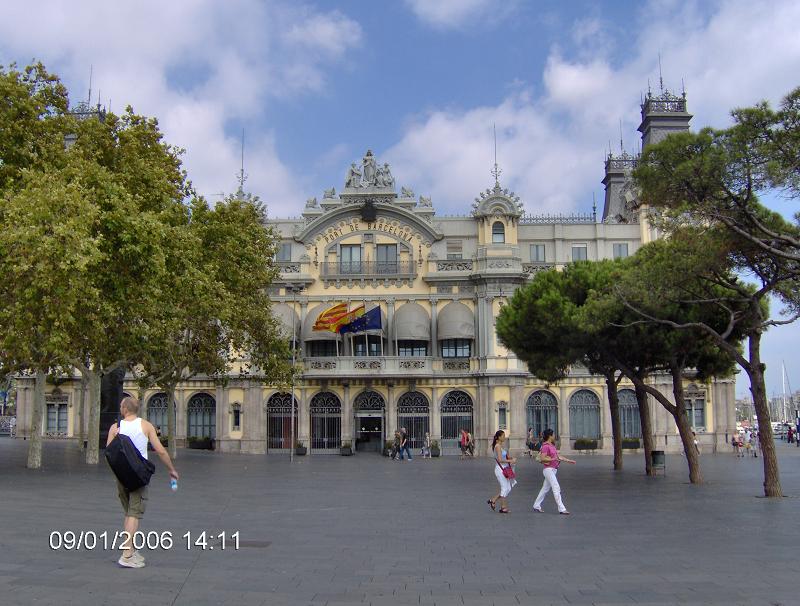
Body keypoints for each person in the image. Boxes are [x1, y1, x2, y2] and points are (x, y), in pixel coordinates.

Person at [106, 396, 178, 569]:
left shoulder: (115, 427)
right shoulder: (146, 426)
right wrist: (171, 470)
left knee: (129, 513)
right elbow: (160, 451)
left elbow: (109, 453)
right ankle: (127, 555)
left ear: (124, 409)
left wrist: (117, 473)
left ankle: (130, 549)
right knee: (134, 513)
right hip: (139, 475)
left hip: (121, 476)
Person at [533, 428, 575, 515]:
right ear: (550, 436)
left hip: (553, 469)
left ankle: (536, 505)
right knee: (556, 487)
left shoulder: (552, 446)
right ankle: (561, 509)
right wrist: (552, 459)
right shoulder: (545, 446)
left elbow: (558, 456)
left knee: (544, 489)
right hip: (548, 470)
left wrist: (568, 460)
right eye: (553, 434)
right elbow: (543, 458)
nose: (554, 436)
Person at [488, 430, 516, 514]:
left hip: (504, 468)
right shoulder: (498, 446)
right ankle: (503, 507)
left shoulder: (500, 446)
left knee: (508, 488)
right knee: (505, 488)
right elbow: (500, 460)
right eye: (503, 436)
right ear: (499, 437)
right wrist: (510, 461)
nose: (504, 437)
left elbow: (503, 457)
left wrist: (510, 458)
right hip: (500, 469)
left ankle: (493, 500)